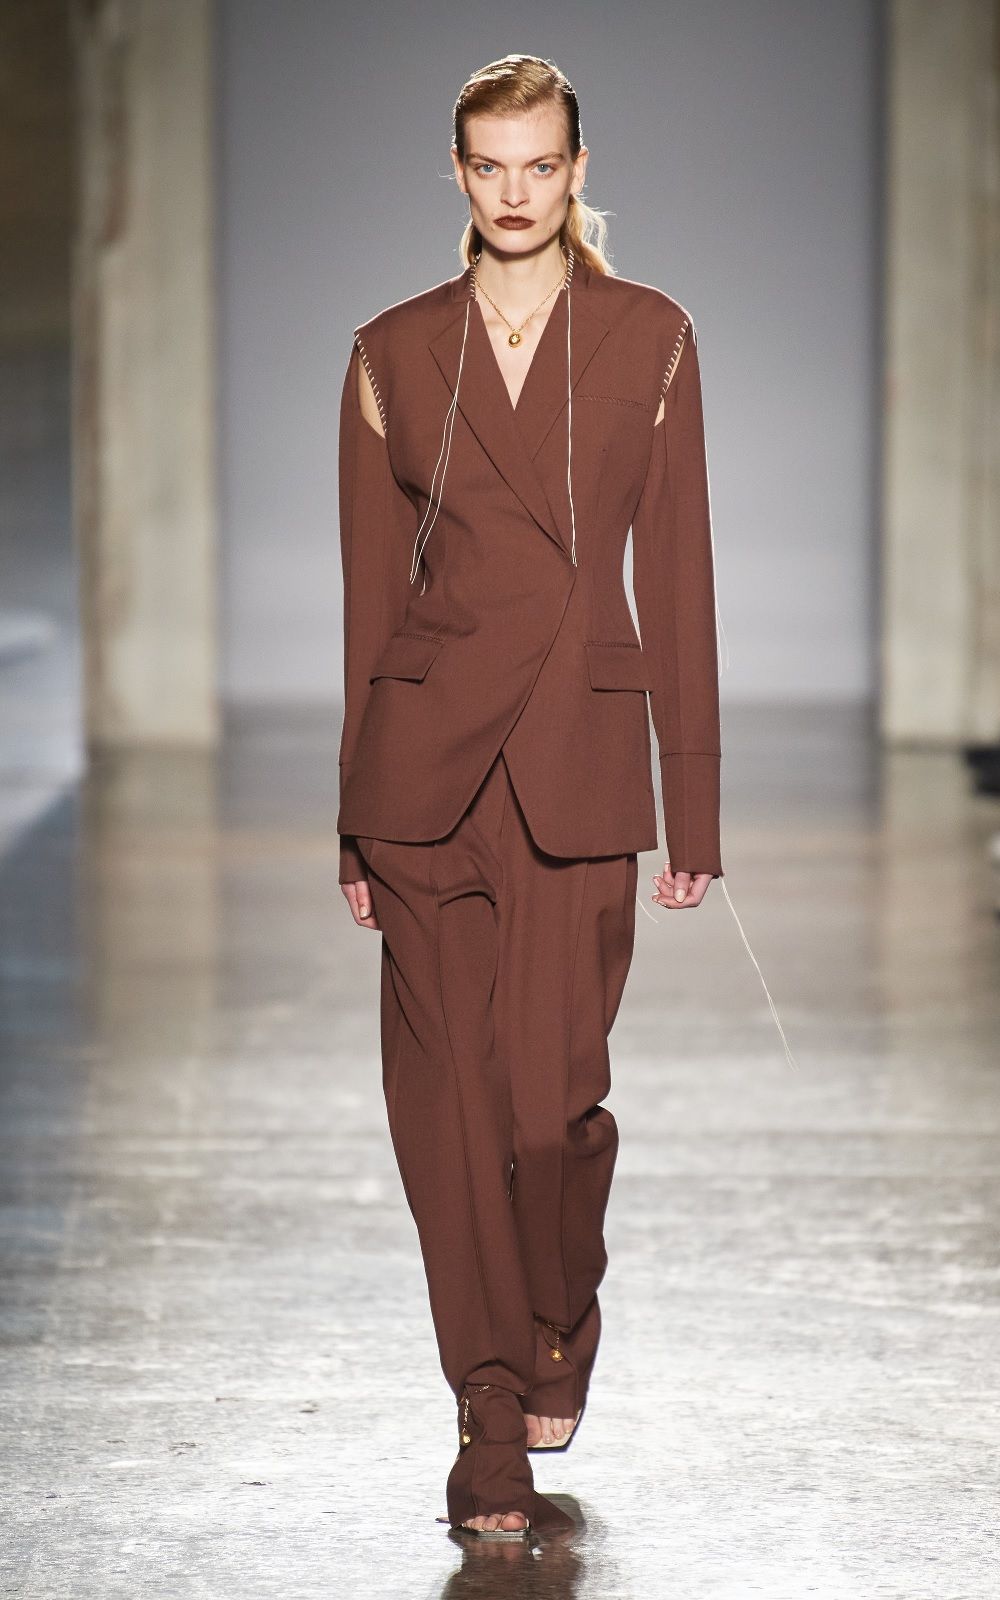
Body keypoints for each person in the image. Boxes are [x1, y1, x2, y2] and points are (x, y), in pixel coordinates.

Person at [337, 53, 723, 1541]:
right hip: (425, 780)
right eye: (489, 167)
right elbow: (371, 603)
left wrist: (693, 803)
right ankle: (487, 1418)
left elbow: (676, 575)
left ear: (576, 169)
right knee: (450, 1112)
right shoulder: (391, 350)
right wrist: (352, 819)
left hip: (575, 761)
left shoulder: (651, 337)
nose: (515, 192)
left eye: (539, 165)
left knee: (553, 1114)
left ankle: (560, 1310)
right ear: (459, 174)